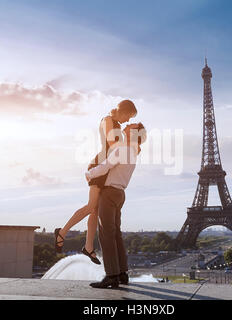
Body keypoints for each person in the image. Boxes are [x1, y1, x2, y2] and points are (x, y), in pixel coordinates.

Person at [54, 100, 137, 264]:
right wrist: (130, 142)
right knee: (92, 206)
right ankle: (62, 232)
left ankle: (88, 247)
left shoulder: (117, 126)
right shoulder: (107, 120)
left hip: (106, 167)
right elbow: (112, 144)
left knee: (96, 210)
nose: (128, 120)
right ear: (123, 111)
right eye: (128, 116)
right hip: (99, 165)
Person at [87, 122, 147, 289]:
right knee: (116, 235)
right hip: (120, 194)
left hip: (109, 193)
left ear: (134, 133)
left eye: (131, 125)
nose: (127, 125)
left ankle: (111, 275)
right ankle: (122, 273)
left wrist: (89, 173)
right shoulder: (133, 152)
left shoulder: (123, 150)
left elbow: (105, 166)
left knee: (106, 234)